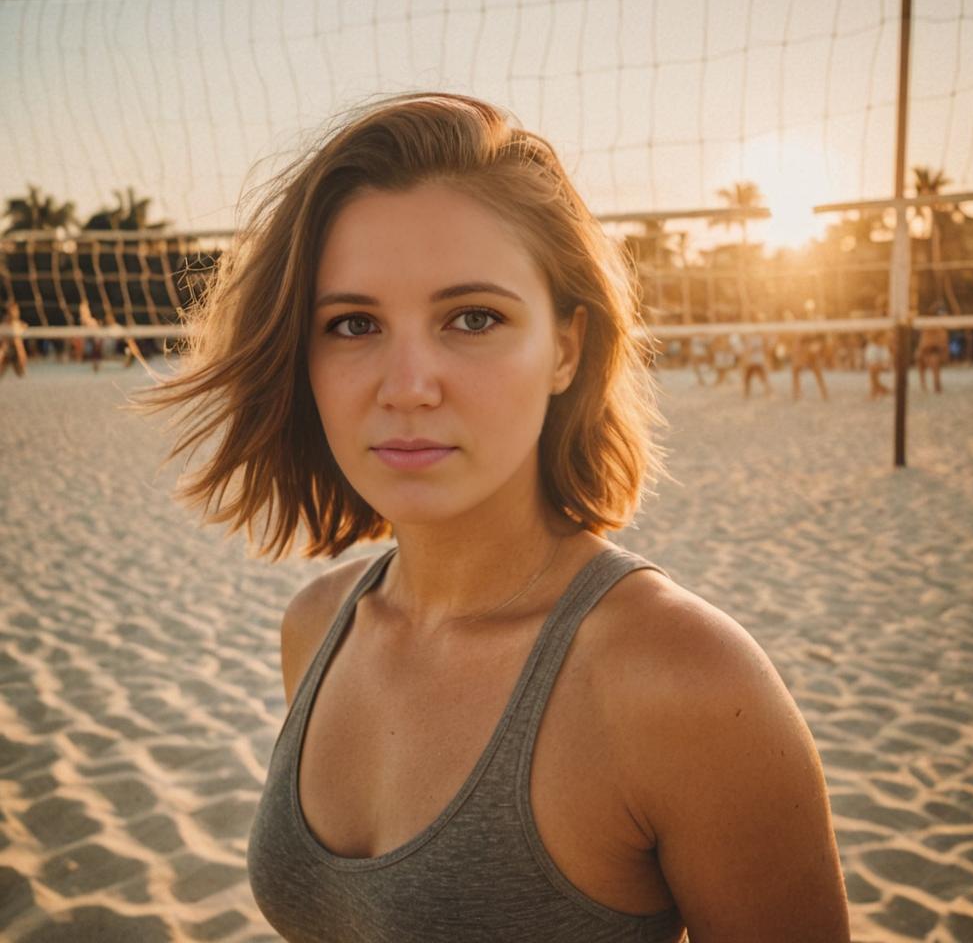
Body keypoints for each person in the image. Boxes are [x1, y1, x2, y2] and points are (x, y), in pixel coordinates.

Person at [138, 93, 849, 942]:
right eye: (353, 323)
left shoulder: (685, 683)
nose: (407, 385)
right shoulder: (319, 624)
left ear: (566, 347)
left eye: (473, 318)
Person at [915, 323, 949, 393]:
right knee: (919, 356)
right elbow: (922, 346)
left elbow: (943, 345)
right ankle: (923, 384)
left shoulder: (940, 331)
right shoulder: (925, 331)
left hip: (935, 351)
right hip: (925, 351)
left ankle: (937, 385)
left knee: (934, 359)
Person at [0, 302, 29, 378]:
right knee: (4, 347)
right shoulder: (3, 326)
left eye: (16, 310)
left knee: (17, 342)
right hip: (6, 351)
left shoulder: (21, 325)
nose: (15, 313)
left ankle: (20, 368)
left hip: (16, 352)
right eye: (12, 311)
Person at [864, 330, 892, 399]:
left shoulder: (884, 347)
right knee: (873, 374)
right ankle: (881, 390)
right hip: (874, 365)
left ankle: (875, 391)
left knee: (873, 374)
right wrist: (874, 364)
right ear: (877, 338)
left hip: (883, 365)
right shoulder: (872, 347)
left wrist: (881, 364)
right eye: (882, 338)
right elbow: (869, 359)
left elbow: (886, 360)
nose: (884, 340)